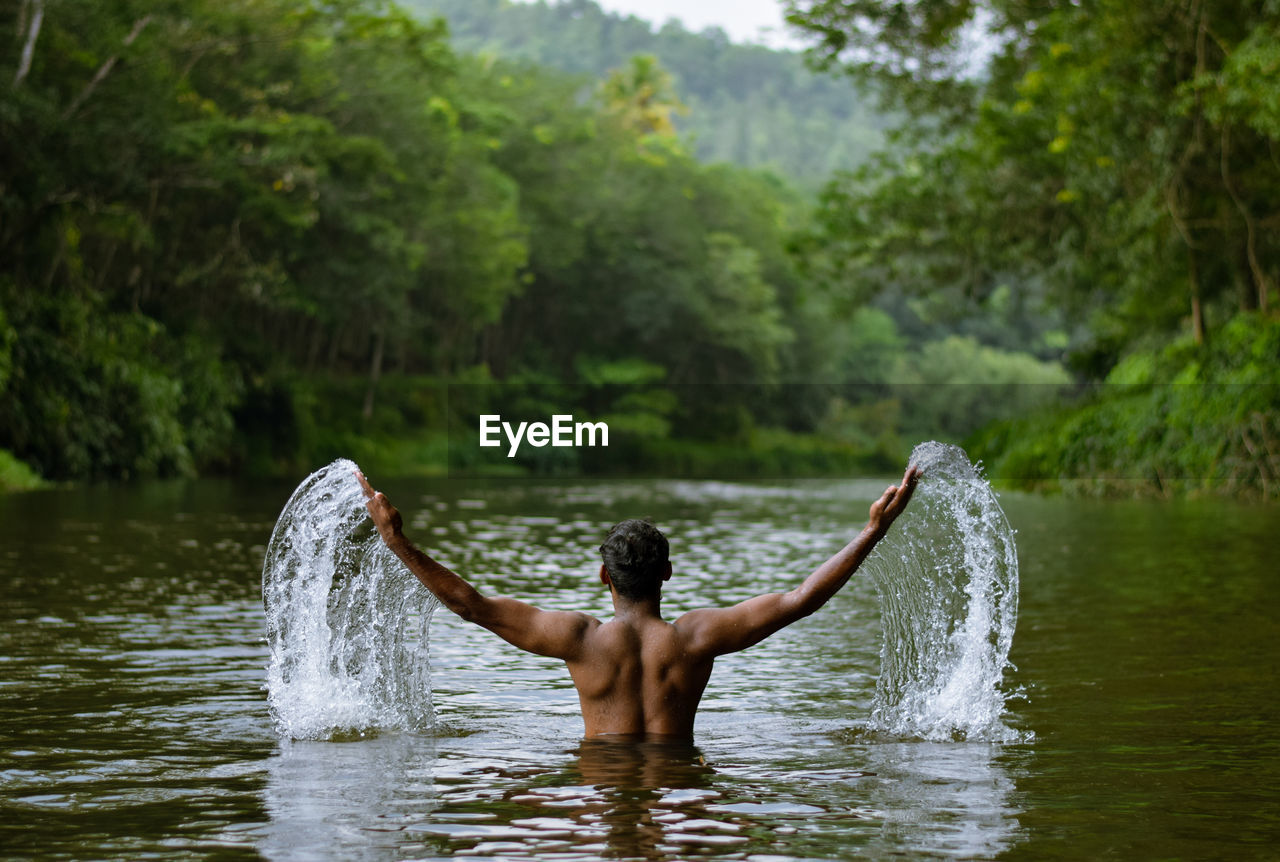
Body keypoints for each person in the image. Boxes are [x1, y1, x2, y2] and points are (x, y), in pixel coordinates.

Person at [356, 465, 920, 741]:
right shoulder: (696, 638)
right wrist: (872, 530)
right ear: (667, 574)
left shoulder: (579, 640)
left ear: (604, 575)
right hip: (681, 794)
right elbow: (800, 599)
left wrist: (396, 541)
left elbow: (471, 605)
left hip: (597, 792)